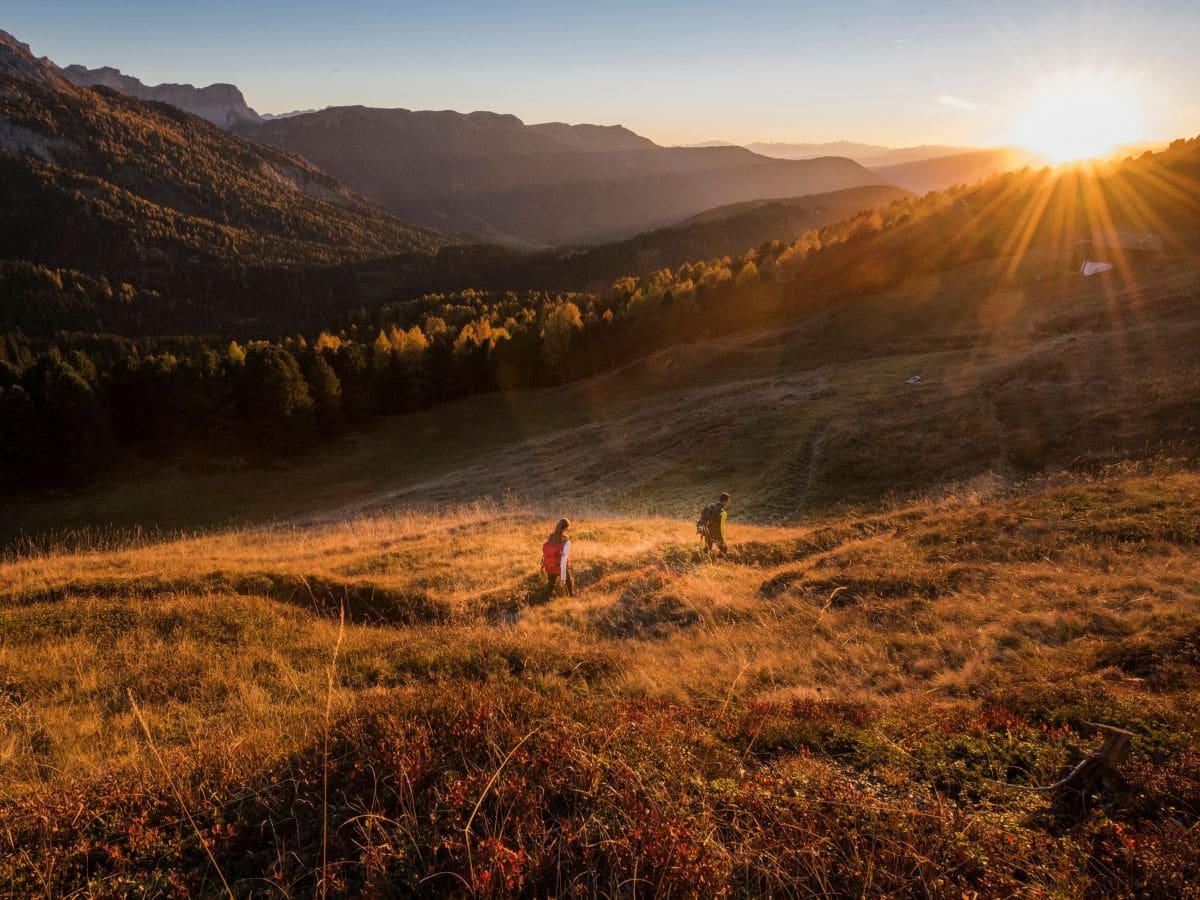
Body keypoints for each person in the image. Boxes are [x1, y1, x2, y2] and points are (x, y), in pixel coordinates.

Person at [542, 517, 574, 597]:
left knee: (551, 584)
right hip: (559, 566)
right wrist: (563, 578)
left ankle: (545, 600)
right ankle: (571, 599)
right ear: (566, 528)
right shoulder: (566, 542)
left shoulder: (550, 536)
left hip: (550, 565)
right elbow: (563, 562)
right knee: (568, 584)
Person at [696, 492, 730, 556]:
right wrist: (723, 539)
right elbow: (721, 527)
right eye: (727, 501)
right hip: (717, 535)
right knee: (724, 550)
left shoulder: (711, 506)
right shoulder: (721, 512)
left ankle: (705, 561)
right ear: (726, 501)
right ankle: (716, 562)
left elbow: (703, 517)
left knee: (707, 549)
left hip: (708, 533)